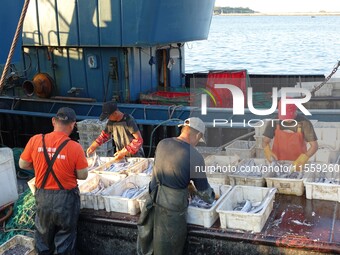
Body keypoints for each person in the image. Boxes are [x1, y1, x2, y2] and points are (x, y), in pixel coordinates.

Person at [137, 117, 215, 255]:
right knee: (168, 249)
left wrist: (188, 185)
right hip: (171, 211)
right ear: (198, 135)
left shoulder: (162, 143)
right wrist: (213, 196)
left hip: (152, 200)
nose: (197, 144)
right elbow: (205, 194)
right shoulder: (195, 156)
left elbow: (170, 169)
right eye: (199, 140)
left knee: (149, 244)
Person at [19, 107, 89, 255]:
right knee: (65, 238)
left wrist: (39, 167)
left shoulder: (35, 140)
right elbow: (83, 175)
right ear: (73, 125)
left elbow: (23, 164)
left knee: (43, 238)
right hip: (66, 200)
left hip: (43, 197)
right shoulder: (75, 147)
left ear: (53, 121)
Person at [262, 99, 318, 171]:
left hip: (297, 165)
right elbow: (265, 141)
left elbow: (314, 146)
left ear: (295, 111)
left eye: (289, 116)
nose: (286, 120)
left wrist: (302, 160)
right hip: (278, 164)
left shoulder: (304, 123)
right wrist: (267, 151)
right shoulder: (274, 122)